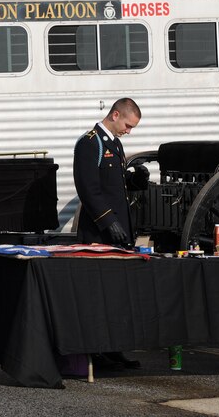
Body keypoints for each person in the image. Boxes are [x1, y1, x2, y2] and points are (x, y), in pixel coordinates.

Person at [73, 97, 146, 370]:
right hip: (99, 234)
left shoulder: (114, 143)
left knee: (117, 296)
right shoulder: (90, 143)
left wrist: (134, 180)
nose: (129, 131)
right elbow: (88, 189)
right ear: (116, 115)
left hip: (119, 234)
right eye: (128, 125)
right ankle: (96, 350)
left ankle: (114, 349)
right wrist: (108, 222)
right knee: (98, 295)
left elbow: (113, 184)